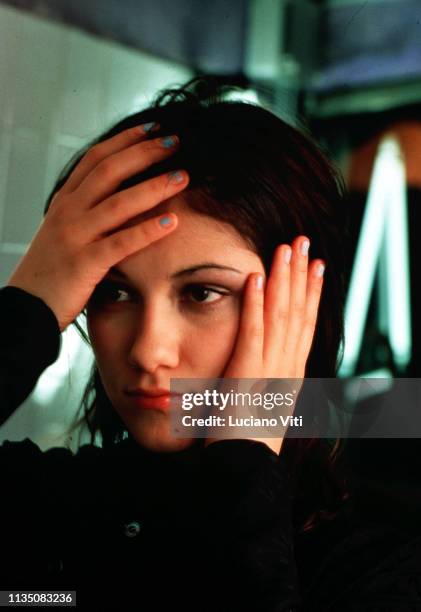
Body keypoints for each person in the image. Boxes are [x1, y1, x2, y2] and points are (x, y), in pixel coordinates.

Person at [0, 76, 419, 611]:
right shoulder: (41, 508)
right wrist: (28, 306)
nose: (148, 352)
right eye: (114, 292)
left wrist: (243, 468)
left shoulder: (378, 565)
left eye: (202, 293)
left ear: (306, 307)